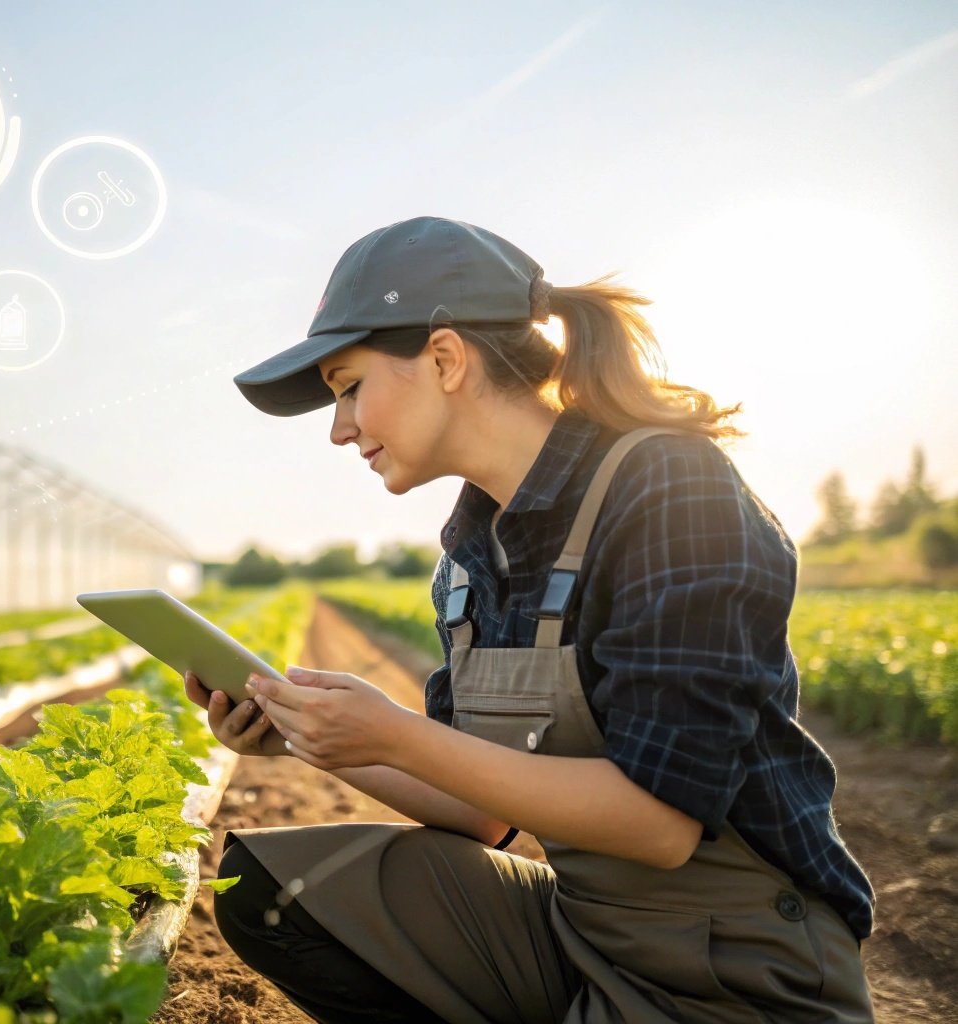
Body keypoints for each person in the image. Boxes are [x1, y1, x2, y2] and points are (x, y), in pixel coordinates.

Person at [181, 216, 875, 1023]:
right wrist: (308, 736)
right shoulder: (469, 556)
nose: (339, 429)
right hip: (581, 932)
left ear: (445, 359)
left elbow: (660, 826)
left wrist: (393, 734)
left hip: (736, 971)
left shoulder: (669, 490)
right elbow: (484, 815)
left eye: (347, 387)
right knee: (271, 893)